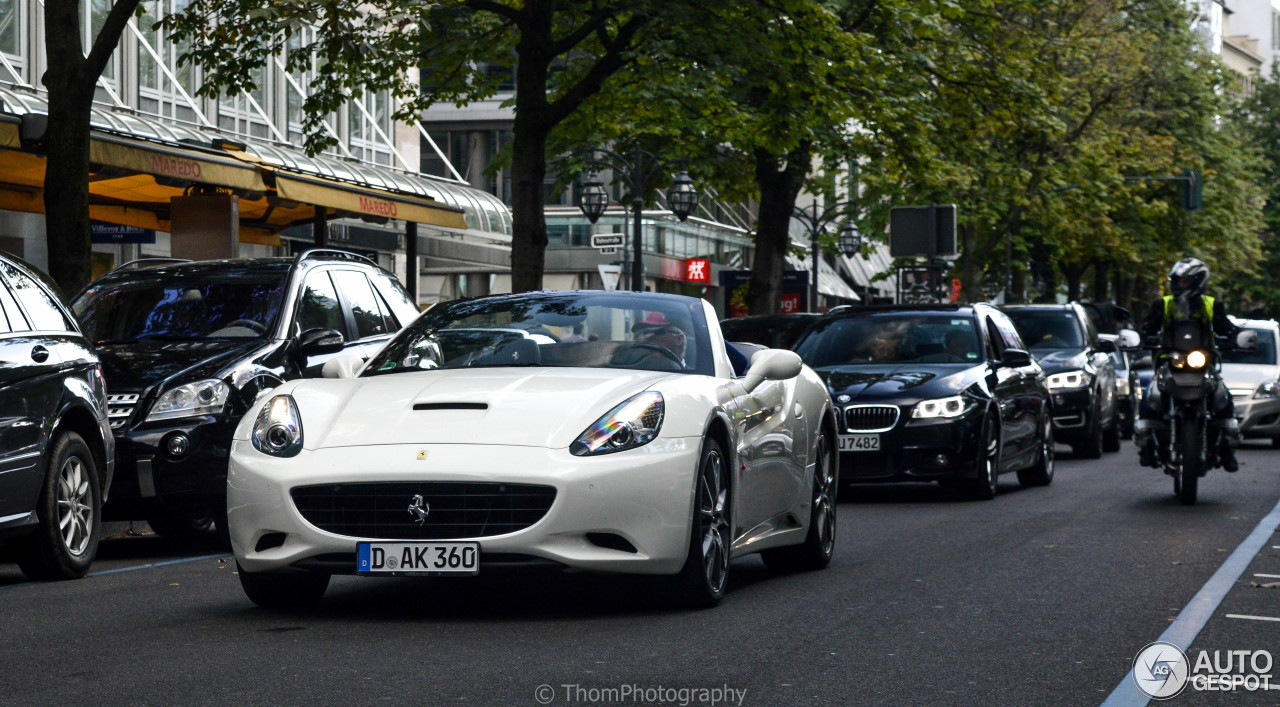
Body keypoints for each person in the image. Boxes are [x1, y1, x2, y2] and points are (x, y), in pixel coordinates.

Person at [1134, 257, 1243, 471]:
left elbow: (1225, 327)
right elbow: (1148, 327)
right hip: (1170, 362)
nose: (1179, 285)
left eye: (1185, 282)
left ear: (1198, 282)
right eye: (1178, 281)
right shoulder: (1164, 304)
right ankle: (1146, 443)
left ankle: (1228, 447)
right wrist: (1140, 337)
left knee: (1223, 396)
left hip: (1203, 364)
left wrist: (1235, 337)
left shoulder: (1211, 305)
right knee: (1150, 395)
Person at [608, 311, 688, 371]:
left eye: (657, 332)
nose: (647, 337)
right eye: (645, 332)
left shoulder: (690, 376)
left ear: (679, 339)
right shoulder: (627, 366)